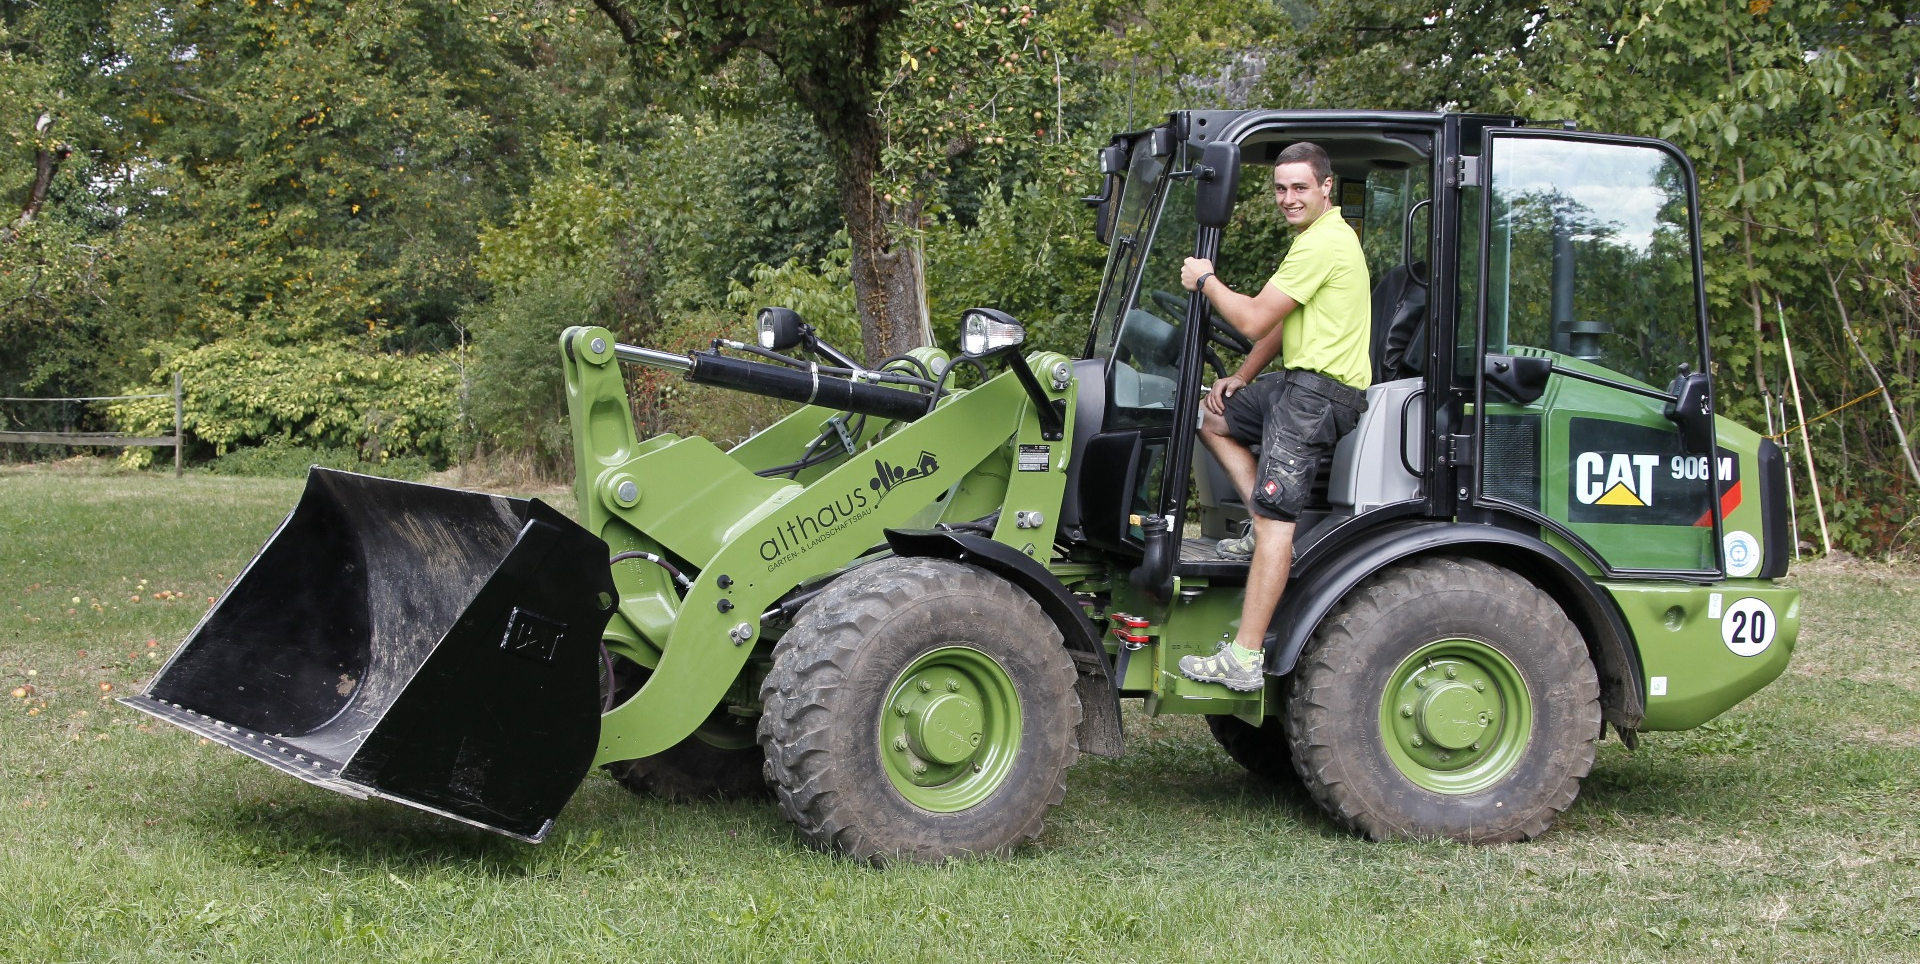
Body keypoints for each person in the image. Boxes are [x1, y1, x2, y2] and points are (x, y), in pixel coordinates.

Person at [1176, 141, 1372, 692]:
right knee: (1212, 416)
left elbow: (1252, 316)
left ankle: (1244, 657)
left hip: (1316, 399)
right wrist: (1242, 376)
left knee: (1275, 525)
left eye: (1299, 188)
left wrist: (1205, 279)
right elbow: (1280, 325)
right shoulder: (1321, 240)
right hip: (1295, 384)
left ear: (1325, 187)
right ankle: (1256, 519)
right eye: (1281, 189)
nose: (1288, 198)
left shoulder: (1325, 242)